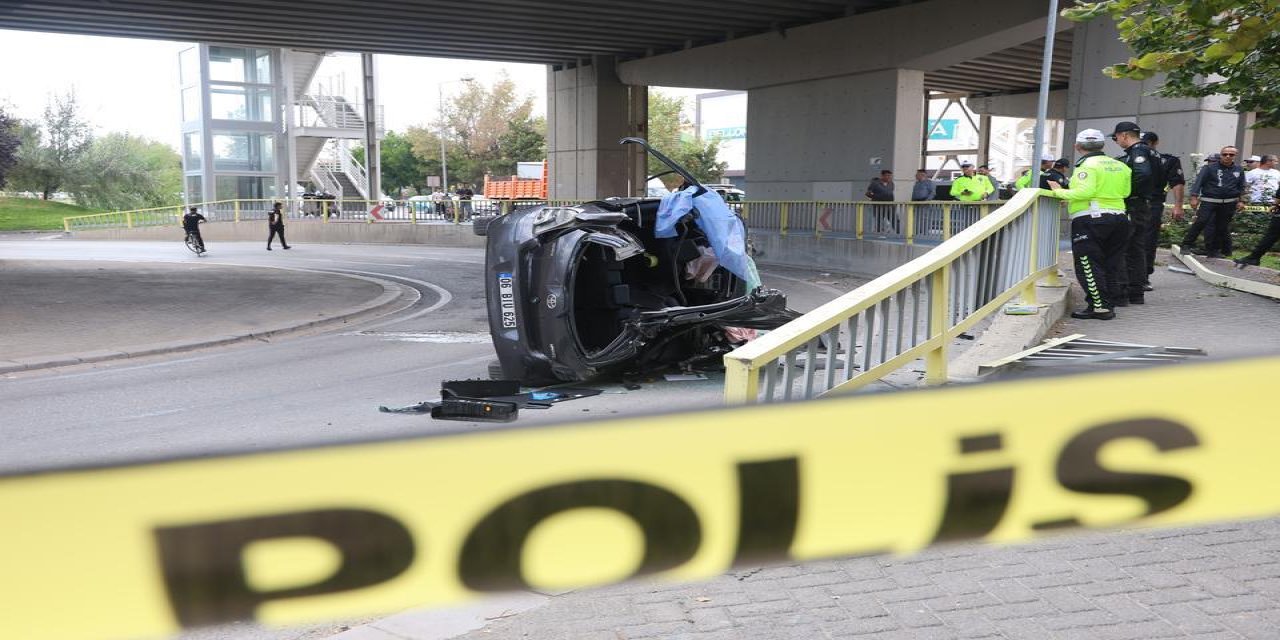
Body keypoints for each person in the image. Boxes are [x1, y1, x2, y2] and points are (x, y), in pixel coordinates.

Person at [1041, 129, 1132, 320]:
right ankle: (1110, 301)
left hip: (1091, 219)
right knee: (1111, 262)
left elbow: (1084, 192)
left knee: (1088, 264)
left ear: (1078, 146)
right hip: (1119, 218)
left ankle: (1100, 307)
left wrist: (1059, 192)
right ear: (1102, 145)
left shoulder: (1087, 165)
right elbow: (1125, 192)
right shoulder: (1120, 165)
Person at [1111, 121, 1162, 305]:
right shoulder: (1152, 152)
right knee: (1137, 248)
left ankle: (1122, 292)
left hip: (1134, 205)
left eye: (1116, 138)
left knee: (1125, 249)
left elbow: (1142, 175)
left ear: (1124, 135)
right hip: (1145, 205)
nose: (1116, 142)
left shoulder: (1138, 152)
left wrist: (1128, 193)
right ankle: (1136, 292)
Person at [1138, 132, 1186, 291]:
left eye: (1147, 143)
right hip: (1133, 204)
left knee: (1148, 241)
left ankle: (1143, 276)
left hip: (1152, 204)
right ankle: (1131, 276)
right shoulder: (1129, 158)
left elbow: (1177, 183)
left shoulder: (1167, 160)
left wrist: (1178, 205)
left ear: (1154, 143)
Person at [1181, 145, 1247, 258]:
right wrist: (1193, 197)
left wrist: (1241, 201)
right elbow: (1198, 183)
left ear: (1235, 156)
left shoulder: (1239, 169)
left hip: (1229, 202)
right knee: (1201, 222)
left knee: (1221, 226)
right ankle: (1186, 245)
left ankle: (1213, 250)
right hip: (1209, 201)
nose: (1227, 156)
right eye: (1225, 154)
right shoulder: (1209, 168)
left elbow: (1241, 186)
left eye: (1231, 154)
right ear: (1221, 155)